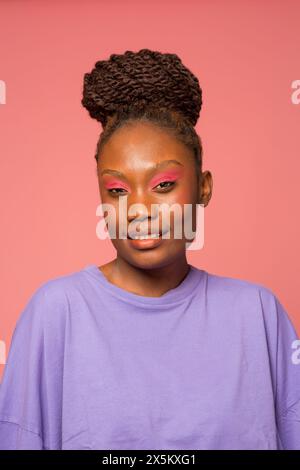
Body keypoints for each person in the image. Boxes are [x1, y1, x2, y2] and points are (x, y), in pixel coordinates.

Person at [0, 48, 299, 450]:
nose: (139, 210)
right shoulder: (57, 312)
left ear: (204, 187)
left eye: (163, 185)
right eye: (118, 190)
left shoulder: (258, 315)